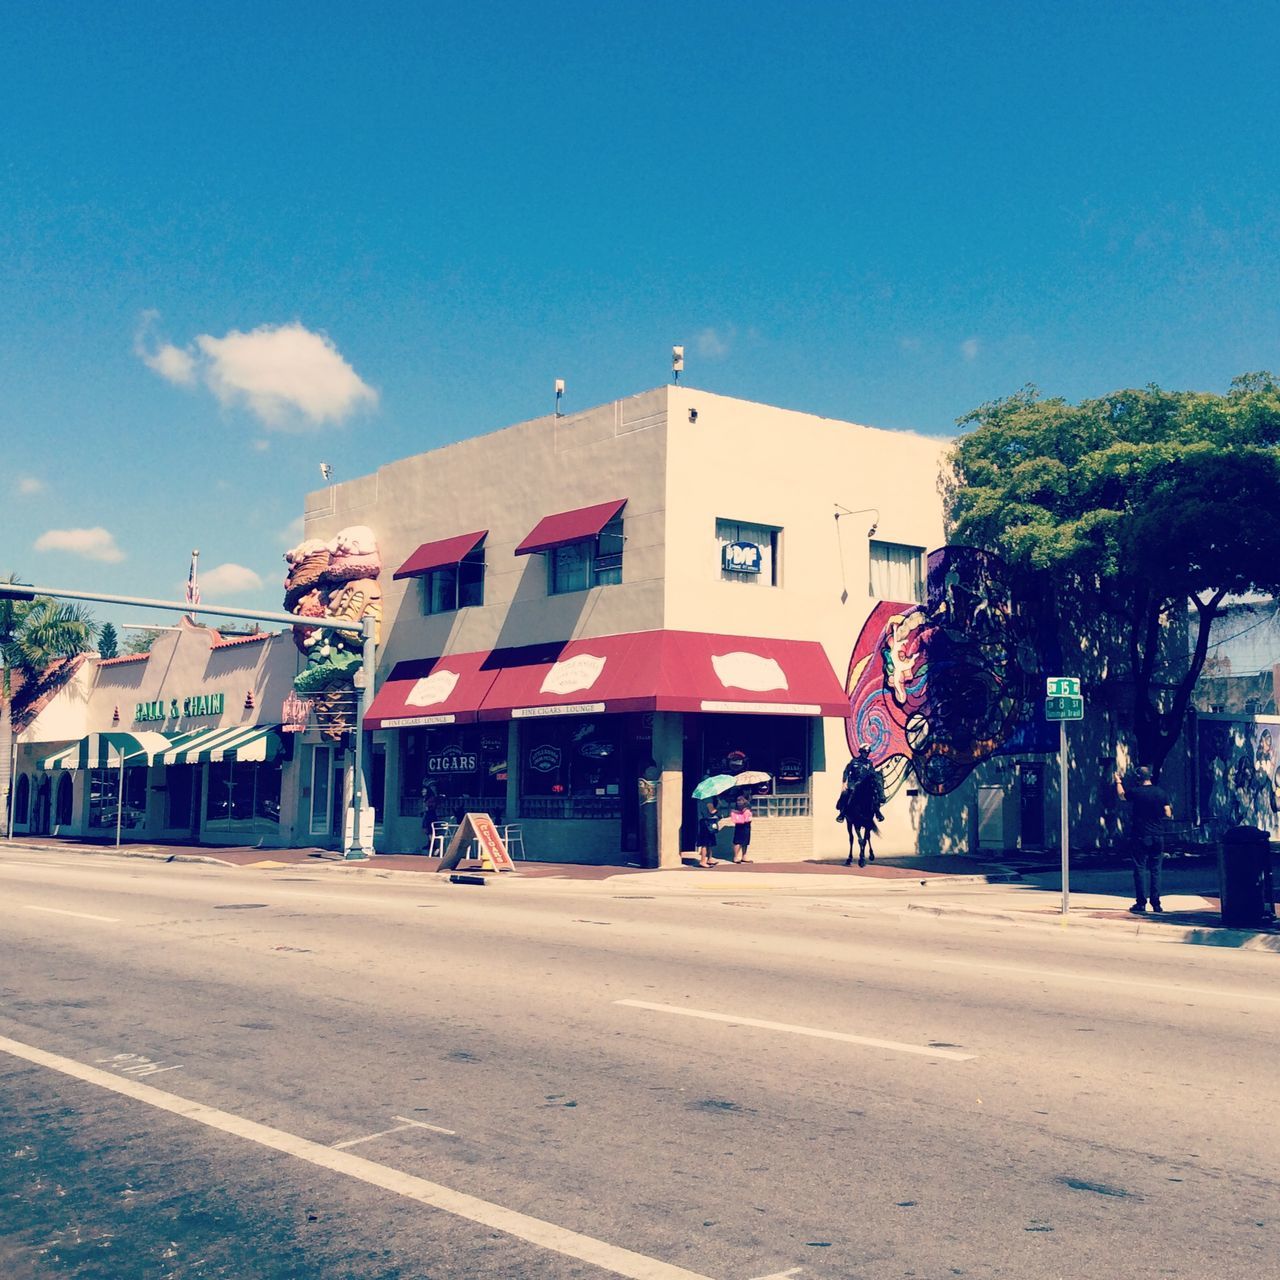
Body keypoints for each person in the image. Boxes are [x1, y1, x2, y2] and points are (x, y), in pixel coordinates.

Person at [1116, 766, 1173, 914]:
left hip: (1141, 835)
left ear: (1138, 778)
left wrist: (1118, 782)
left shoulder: (1136, 792)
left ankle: (1141, 903)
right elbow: (1167, 812)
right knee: (1156, 869)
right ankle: (1156, 903)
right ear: (1150, 776)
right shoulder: (1161, 792)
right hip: (1158, 835)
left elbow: (1122, 796)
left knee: (1140, 868)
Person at [840, 745, 885, 822]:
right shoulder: (854, 761)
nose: (866, 754)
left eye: (867, 753)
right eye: (865, 752)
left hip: (864, 786)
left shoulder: (869, 763)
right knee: (845, 794)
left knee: (874, 795)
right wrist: (844, 782)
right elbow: (846, 771)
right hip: (853, 784)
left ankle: (877, 812)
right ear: (861, 752)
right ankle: (842, 813)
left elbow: (872, 773)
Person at [696, 796, 721, 868]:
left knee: (709, 842)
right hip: (707, 822)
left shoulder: (700, 800)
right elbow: (712, 811)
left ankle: (710, 858)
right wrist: (718, 807)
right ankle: (703, 861)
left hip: (704, 821)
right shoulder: (708, 800)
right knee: (705, 842)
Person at [730, 791, 753, 863]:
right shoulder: (741, 800)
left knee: (745, 840)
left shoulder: (745, 800)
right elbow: (741, 809)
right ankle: (736, 857)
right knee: (738, 840)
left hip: (746, 823)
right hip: (741, 823)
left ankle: (744, 856)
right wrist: (746, 804)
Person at [420, 781, 439, 855]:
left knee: (430, 831)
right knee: (427, 831)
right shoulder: (425, 799)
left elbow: (431, 807)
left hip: (430, 816)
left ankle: (434, 845)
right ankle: (431, 844)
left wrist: (427, 808)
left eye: (424, 790)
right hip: (427, 815)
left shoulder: (431, 798)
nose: (422, 791)